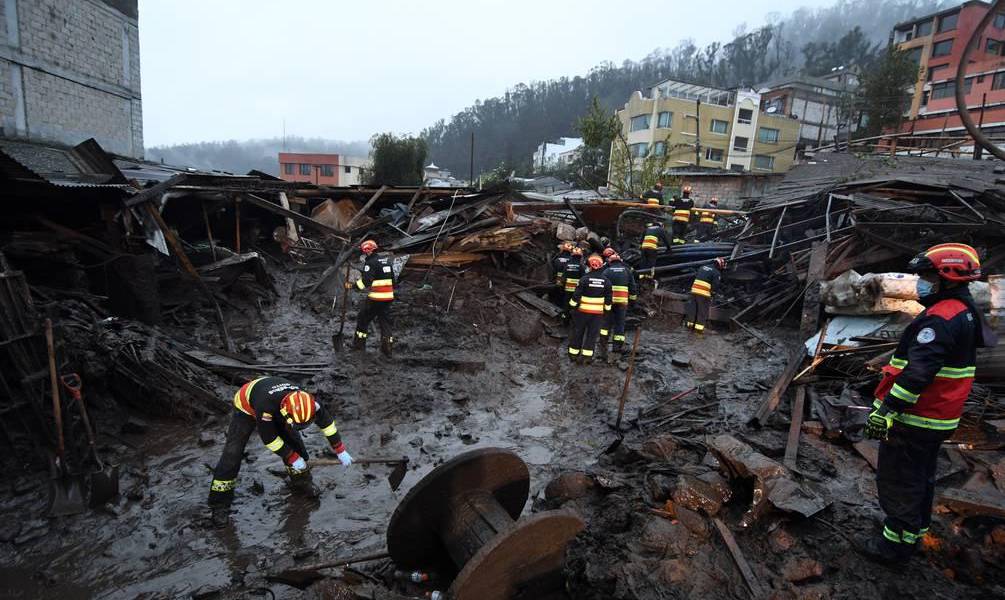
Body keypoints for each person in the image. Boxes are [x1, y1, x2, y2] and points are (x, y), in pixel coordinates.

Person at [861, 243, 994, 564]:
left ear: (946, 277)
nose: (920, 282)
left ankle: (894, 547)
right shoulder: (964, 311)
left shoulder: (941, 319)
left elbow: (918, 373)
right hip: (938, 416)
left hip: (917, 417)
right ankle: (913, 533)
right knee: (921, 477)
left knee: (899, 480)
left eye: (926, 276)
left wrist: (888, 410)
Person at [208, 376, 353, 513]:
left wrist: (340, 449)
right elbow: (269, 439)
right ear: (285, 413)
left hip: (275, 401)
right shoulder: (266, 407)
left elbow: (328, 426)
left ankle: (301, 483)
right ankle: (219, 505)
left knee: (296, 445)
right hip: (246, 405)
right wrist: (292, 458)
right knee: (232, 453)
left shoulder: (310, 403)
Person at [352, 239, 396, 357]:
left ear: (367, 251)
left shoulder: (371, 263)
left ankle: (358, 346)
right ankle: (387, 350)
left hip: (376, 299)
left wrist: (354, 286)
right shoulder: (387, 261)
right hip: (388, 298)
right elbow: (393, 280)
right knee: (385, 323)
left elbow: (366, 281)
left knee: (362, 319)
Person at [567, 254, 612, 363]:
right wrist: (606, 310)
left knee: (578, 332)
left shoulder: (584, 279)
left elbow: (576, 296)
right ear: (601, 266)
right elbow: (608, 299)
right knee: (592, 335)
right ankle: (587, 357)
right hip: (597, 314)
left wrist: (571, 307)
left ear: (590, 266)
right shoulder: (606, 281)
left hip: (582, 312)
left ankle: (573, 354)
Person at [597, 252, 638, 360]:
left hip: (609, 302)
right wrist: (633, 301)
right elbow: (633, 287)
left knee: (606, 323)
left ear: (610, 262)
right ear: (620, 262)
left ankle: (603, 344)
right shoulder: (627, 271)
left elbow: (601, 286)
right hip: (622, 303)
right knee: (620, 323)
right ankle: (617, 346)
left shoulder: (606, 271)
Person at [684, 257, 725, 333]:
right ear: (719, 265)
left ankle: (689, 328)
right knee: (702, 312)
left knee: (693, 310)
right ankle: (698, 331)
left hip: (693, 292)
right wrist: (713, 294)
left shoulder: (702, 267)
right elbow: (715, 286)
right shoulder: (716, 273)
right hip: (703, 294)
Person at [560, 246, 585, 318]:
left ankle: (565, 319)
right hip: (577, 291)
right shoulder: (581, 266)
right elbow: (584, 279)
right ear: (580, 257)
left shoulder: (567, 265)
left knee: (566, 305)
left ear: (572, 256)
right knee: (576, 306)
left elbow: (563, 279)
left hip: (567, 290)